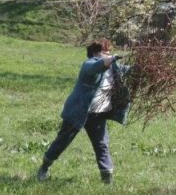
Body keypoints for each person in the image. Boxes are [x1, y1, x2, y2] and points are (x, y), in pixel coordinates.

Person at [37, 39, 129, 184]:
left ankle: (107, 181)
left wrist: (145, 66)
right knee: (62, 141)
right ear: (95, 53)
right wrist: (111, 58)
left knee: (102, 145)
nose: (108, 54)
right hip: (78, 113)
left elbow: (129, 71)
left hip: (98, 115)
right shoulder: (89, 64)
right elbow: (97, 67)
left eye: (109, 51)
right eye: (104, 51)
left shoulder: (113, 68)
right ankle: (44, 168)